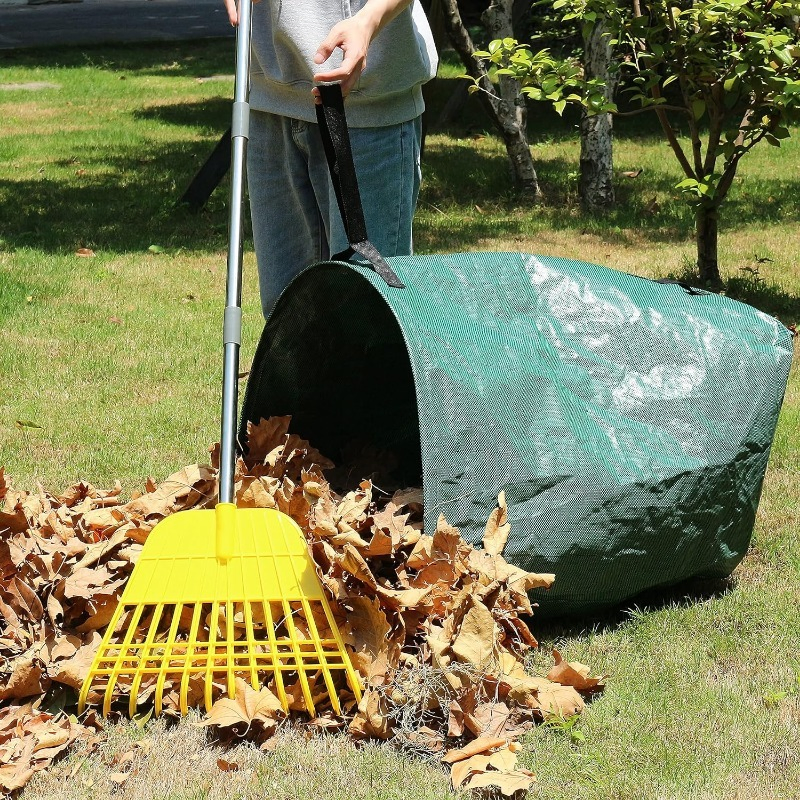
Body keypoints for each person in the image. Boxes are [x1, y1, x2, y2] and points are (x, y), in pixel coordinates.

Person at [223, 0, 438, 317]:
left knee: (364, 311)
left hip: (365, 107)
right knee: (288, 317)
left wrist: (367, 21)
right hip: (268, 97)